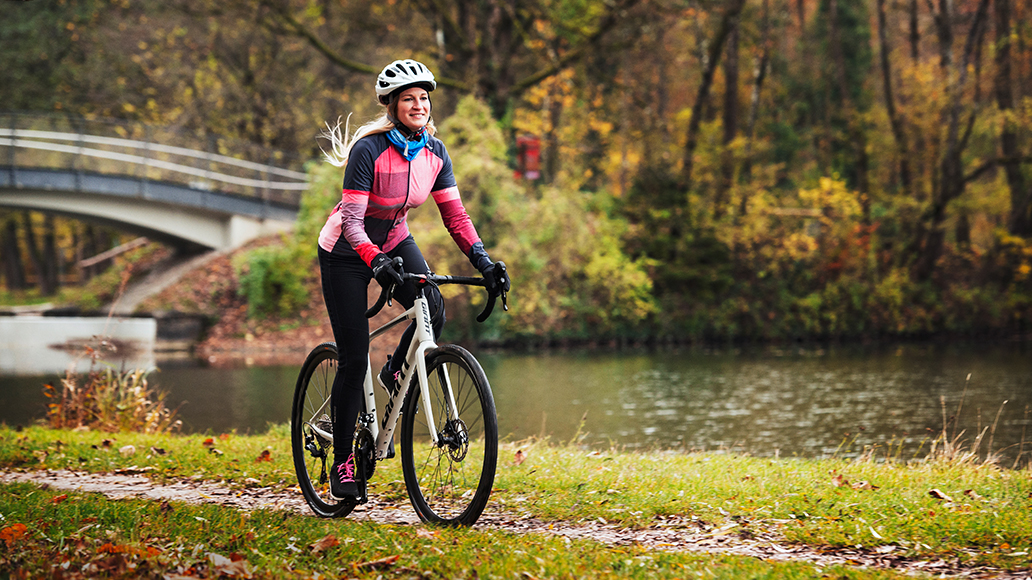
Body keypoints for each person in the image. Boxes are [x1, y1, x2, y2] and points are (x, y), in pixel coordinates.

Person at [316, 59, 509, 500]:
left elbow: (454, 216)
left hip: (394, 237)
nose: (418, 105)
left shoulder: (435, 153)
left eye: (423, 98)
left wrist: (484, 262)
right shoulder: (369, 151)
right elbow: (350, 220)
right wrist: (374, 260)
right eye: (409, 99)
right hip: (346, 250)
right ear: (392, 105)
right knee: (352, 354)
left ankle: (395, 372)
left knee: (432, 304)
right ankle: (344, 464)